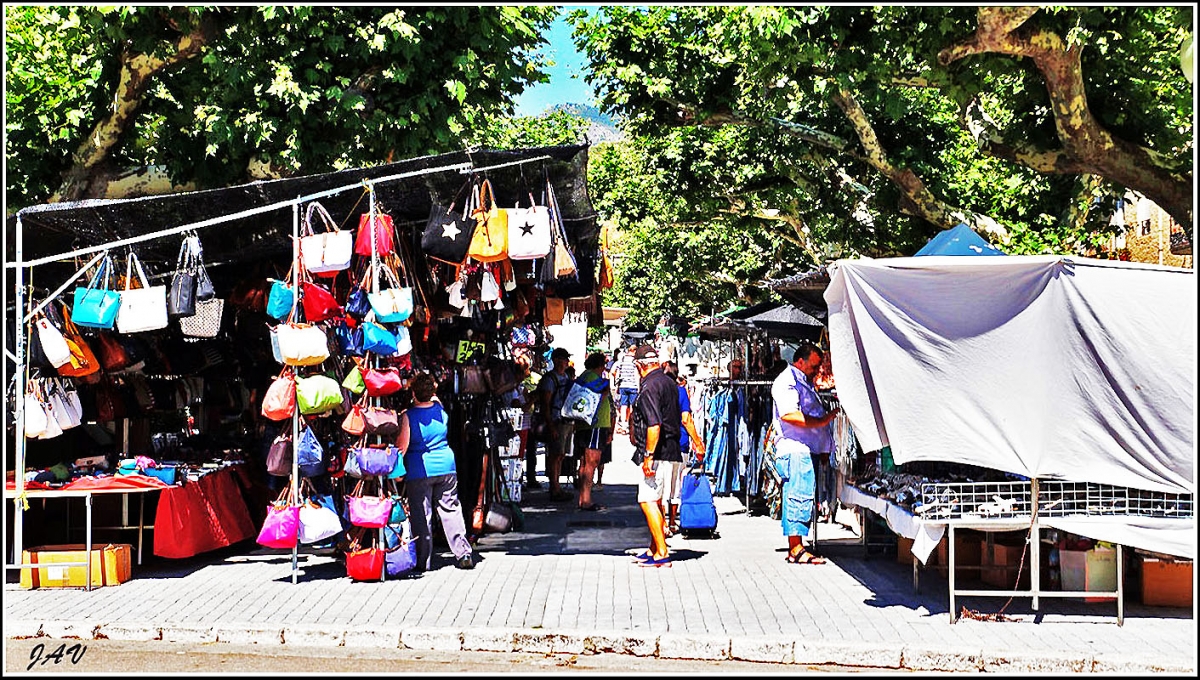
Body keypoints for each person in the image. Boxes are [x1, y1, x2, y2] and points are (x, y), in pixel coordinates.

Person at [395, 372, 475, 571]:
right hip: (447, 466)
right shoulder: (440, 410)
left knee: (422, 515)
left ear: (413, 393)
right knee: (451, 510)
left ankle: (423, 561)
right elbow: (434, 396)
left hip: (420, 470)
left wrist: (396, 471)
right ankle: (463, 553)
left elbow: (402, 447)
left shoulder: (408, 416)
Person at [771, 341, 838, 565]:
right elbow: (790, 415)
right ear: (800, 361)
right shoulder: (787, 382)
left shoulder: (802, 381)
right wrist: (822, 421)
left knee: (801, 496)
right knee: (797, 496)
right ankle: (796, 549)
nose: (816, 371)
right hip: (795, 449)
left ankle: (797, 546)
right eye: (813, 366)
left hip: (805, 450)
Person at [628, 344, 681, 568]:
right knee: (657, 500)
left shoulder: (649, 386)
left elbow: (654, 424)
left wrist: (648, 455)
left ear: (640, 366)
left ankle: (662, 552)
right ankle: (653, 547)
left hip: (657, 451)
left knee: (647, 500)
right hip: (670, 448)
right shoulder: (668, 381)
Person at [662, 361, 705, 536]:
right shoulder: (681, 392)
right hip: (680, 444)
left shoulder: (659, 391)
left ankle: (662, 524)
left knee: (664, 485)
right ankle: (672, 522)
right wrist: (698, 442)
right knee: (676, 485)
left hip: (663, 444)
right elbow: (686, 419)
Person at [571, 352, 612, 511]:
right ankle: (586, 499)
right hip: (595, 424)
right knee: (591, 461)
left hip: (585, 424)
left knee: (584, 462)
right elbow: (594, 399)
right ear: (600, 365)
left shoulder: (583, 376)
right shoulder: (594, 379)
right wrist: (605, 392)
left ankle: (583, 498)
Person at [535, 347, 574, 502]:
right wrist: (550, 425)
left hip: (566, 421)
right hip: (556, 421)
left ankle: (557, 487)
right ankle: (554, 488)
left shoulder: (565, 377)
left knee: (561, 455)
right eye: (564, 359)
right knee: (554, 455)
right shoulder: (550, 379)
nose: (566, 362)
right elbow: (545, 404)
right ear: (557, 360)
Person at [614, 347, 640, 434]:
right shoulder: (635, 361)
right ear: (634, 351)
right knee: (632, 406)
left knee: (623, 405)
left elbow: (618, 373)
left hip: (623, 385)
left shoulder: (622, 359)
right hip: (633, 386)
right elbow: (636, 374)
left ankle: (623, 424)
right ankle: (631, 424)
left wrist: (617, 385)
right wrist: (638, 386)